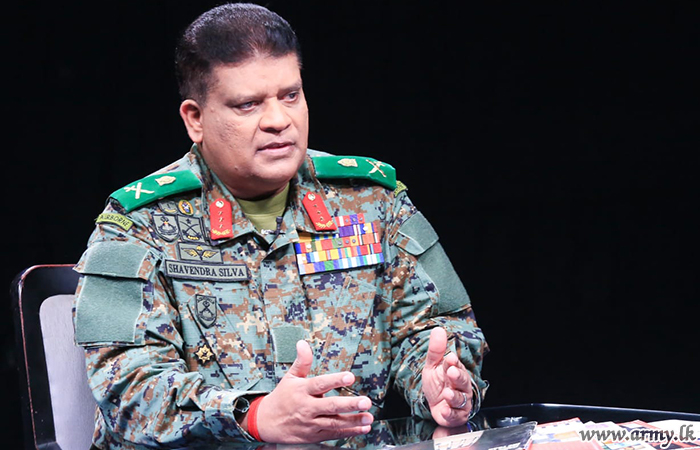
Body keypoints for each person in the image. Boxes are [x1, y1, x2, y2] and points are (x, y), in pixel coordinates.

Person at [72, 3, 489, 449]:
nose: (278, 120)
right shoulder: (137, 225)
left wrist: (440, 384)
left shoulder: (371, 201)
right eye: (248, 104)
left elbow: (438, 327)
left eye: (290, 96)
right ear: (195, 119)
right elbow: (129, 390)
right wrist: (252, 416)